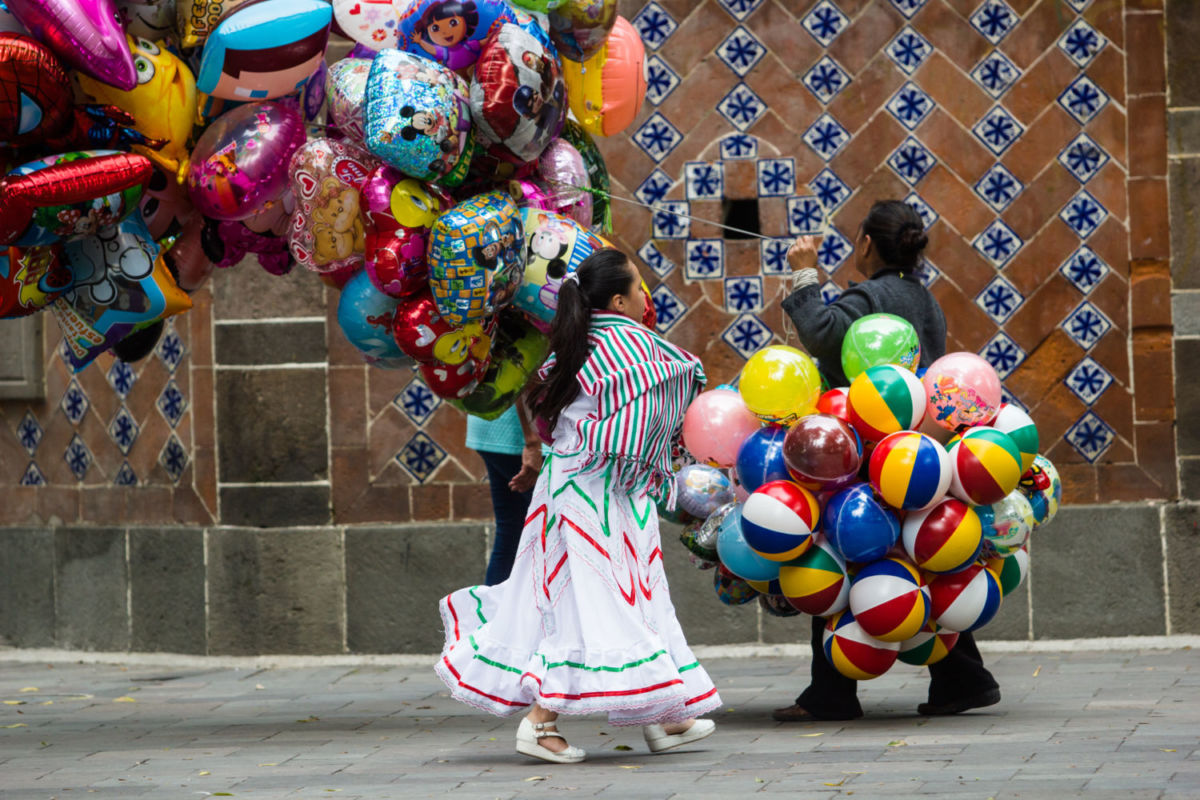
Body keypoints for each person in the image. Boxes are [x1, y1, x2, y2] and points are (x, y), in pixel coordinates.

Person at [436, 249, 720, 763]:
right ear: (618, 299)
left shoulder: (577, 341)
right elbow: (685, 372)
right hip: (600, 493)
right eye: (639, 287)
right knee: (594, 601)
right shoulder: (631, 347)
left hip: (578, 486)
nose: (645, 295)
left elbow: (544, 401)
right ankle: (541, 722)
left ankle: (662, 716)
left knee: (600, 598)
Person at [773, 199, 1001, 721]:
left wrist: (805, 273)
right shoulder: (924, 299)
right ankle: (961, 677)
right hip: (922, 454)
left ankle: (831, 695)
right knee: (927, 563)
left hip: (870, 454)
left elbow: (826, 338)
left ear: (868, 244)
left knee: (838, 555)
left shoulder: (871, 296)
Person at [467, 404, 543, 586]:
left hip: (489, 424)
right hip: (518, 436)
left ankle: (495, 613)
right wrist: (533, 442)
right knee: (557, 532)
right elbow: (525, 378)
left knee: (511, 532)